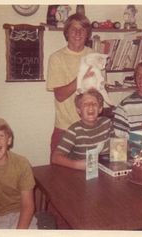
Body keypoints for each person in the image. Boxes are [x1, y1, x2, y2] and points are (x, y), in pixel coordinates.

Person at [46, 13, 94, 157]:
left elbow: (98, 94)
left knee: (90, 176)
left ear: (87, 34)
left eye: (82, 29)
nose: (78, 33)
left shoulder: (94, 56)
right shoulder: (56, 58)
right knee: (58, 177)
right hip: (65, 129)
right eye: (74, 29)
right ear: (66, 32)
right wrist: (80, 78)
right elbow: (60, 96)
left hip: (90, 128)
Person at [51, 89, 114, 170]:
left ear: (100, 109)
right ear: (79, 110)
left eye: (94, 104)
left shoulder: (107, 123)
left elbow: (117, 145)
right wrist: (76, 165)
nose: (90, 106)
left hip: (107, 170)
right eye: (85, 104)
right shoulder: (74, 130)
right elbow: (55, 158)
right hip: (84, 174)